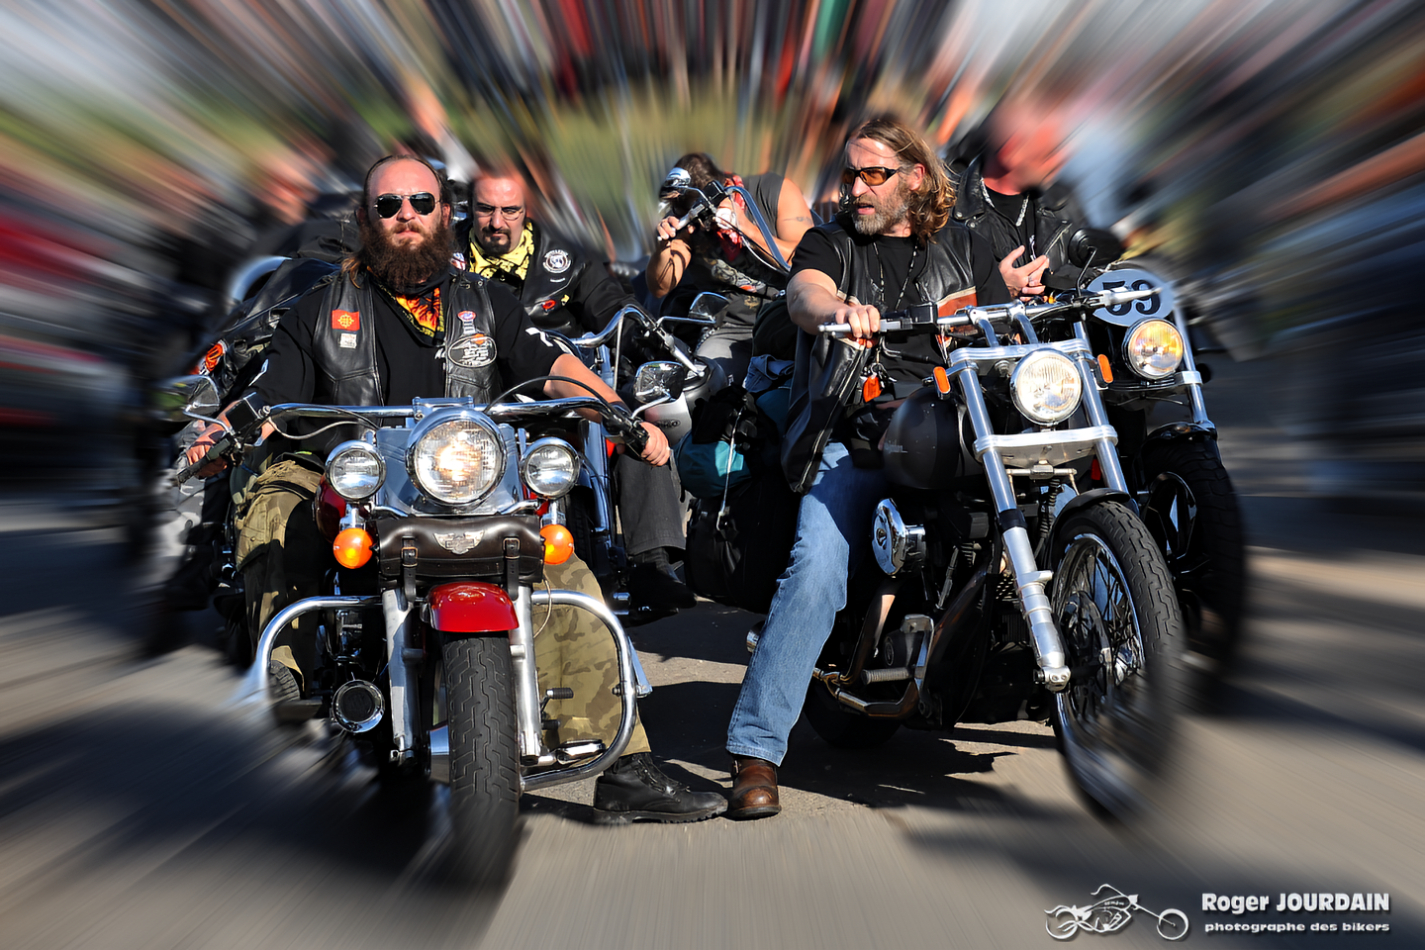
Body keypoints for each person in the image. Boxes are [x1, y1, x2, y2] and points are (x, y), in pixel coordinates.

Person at [185, 155, 724, 822]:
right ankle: (288, 676)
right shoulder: (318, 309)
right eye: (388, 205)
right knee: (275, 508)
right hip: (347, 469)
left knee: (564, 569)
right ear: (366, 218)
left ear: (445, 213)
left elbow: (553, 365)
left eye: (420, 202)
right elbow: (270, 396)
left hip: (463, 478)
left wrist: (617, 413)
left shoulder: (486, 302)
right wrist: (220, 434)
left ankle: (624, 764)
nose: (405, 215)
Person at [723, 118, 1011, 819]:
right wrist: (838, 310)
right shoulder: (832, 242)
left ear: (915, 177)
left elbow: (999, 321)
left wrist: (1022, 300)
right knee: (817, 568)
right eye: (850, 174)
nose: (855, 187)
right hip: (860, 433)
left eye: (872, 174)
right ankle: (756, 749)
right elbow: (803, 293)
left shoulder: (967, 245)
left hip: (958, 427)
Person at [461, 172, 694, 611]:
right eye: (485, 209)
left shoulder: (567, 253)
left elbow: (613, 306)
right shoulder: (448, 259)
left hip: (561, 380)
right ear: (468, 208)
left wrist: (654, 343)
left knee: (635, 419)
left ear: (528, 211)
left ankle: (652, 563)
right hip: (483, 388)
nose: (497, 222)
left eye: (510, 210)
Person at [645, 153, 815, 383]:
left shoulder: (775, 191)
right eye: (692, 219)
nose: (698, 226)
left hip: (790, 316)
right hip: (733, 328)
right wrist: (662, 247)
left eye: (703, 214)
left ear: (724, 185)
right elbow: (660, 287)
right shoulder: (685, 218)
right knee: (704, 383)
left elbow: (807, 261)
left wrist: (746, 228)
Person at [950, 99, 1088, 298]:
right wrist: (995, 288)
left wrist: (1057, 281)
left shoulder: (1062, 201)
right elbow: (931, 297)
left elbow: (1097, 269)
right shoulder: (946, 209)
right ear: (1010, 152)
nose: (1060, 160)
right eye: (1048, 153)